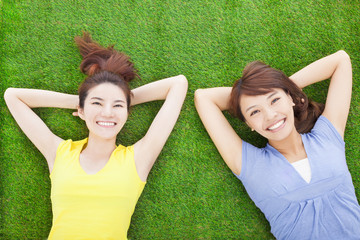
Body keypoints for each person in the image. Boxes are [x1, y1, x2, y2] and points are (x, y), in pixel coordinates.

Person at [4, 32, 188, 239]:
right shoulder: (59, 153)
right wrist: (84, 102)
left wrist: (120, 101)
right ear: (80, 111)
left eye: (117, 106)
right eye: (97, 103)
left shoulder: (139, 158)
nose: (108, 112)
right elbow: (13, 96)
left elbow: (178, 84)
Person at [194, 50, 360, 239]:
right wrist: (253, 94)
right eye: (254, 112)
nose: (270, 115)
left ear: (290, 99)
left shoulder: (328, 136)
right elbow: (203, 98)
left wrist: (282, 87)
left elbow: (341, 60)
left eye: (274, 100)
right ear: (248, 124)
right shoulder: (251, 165)